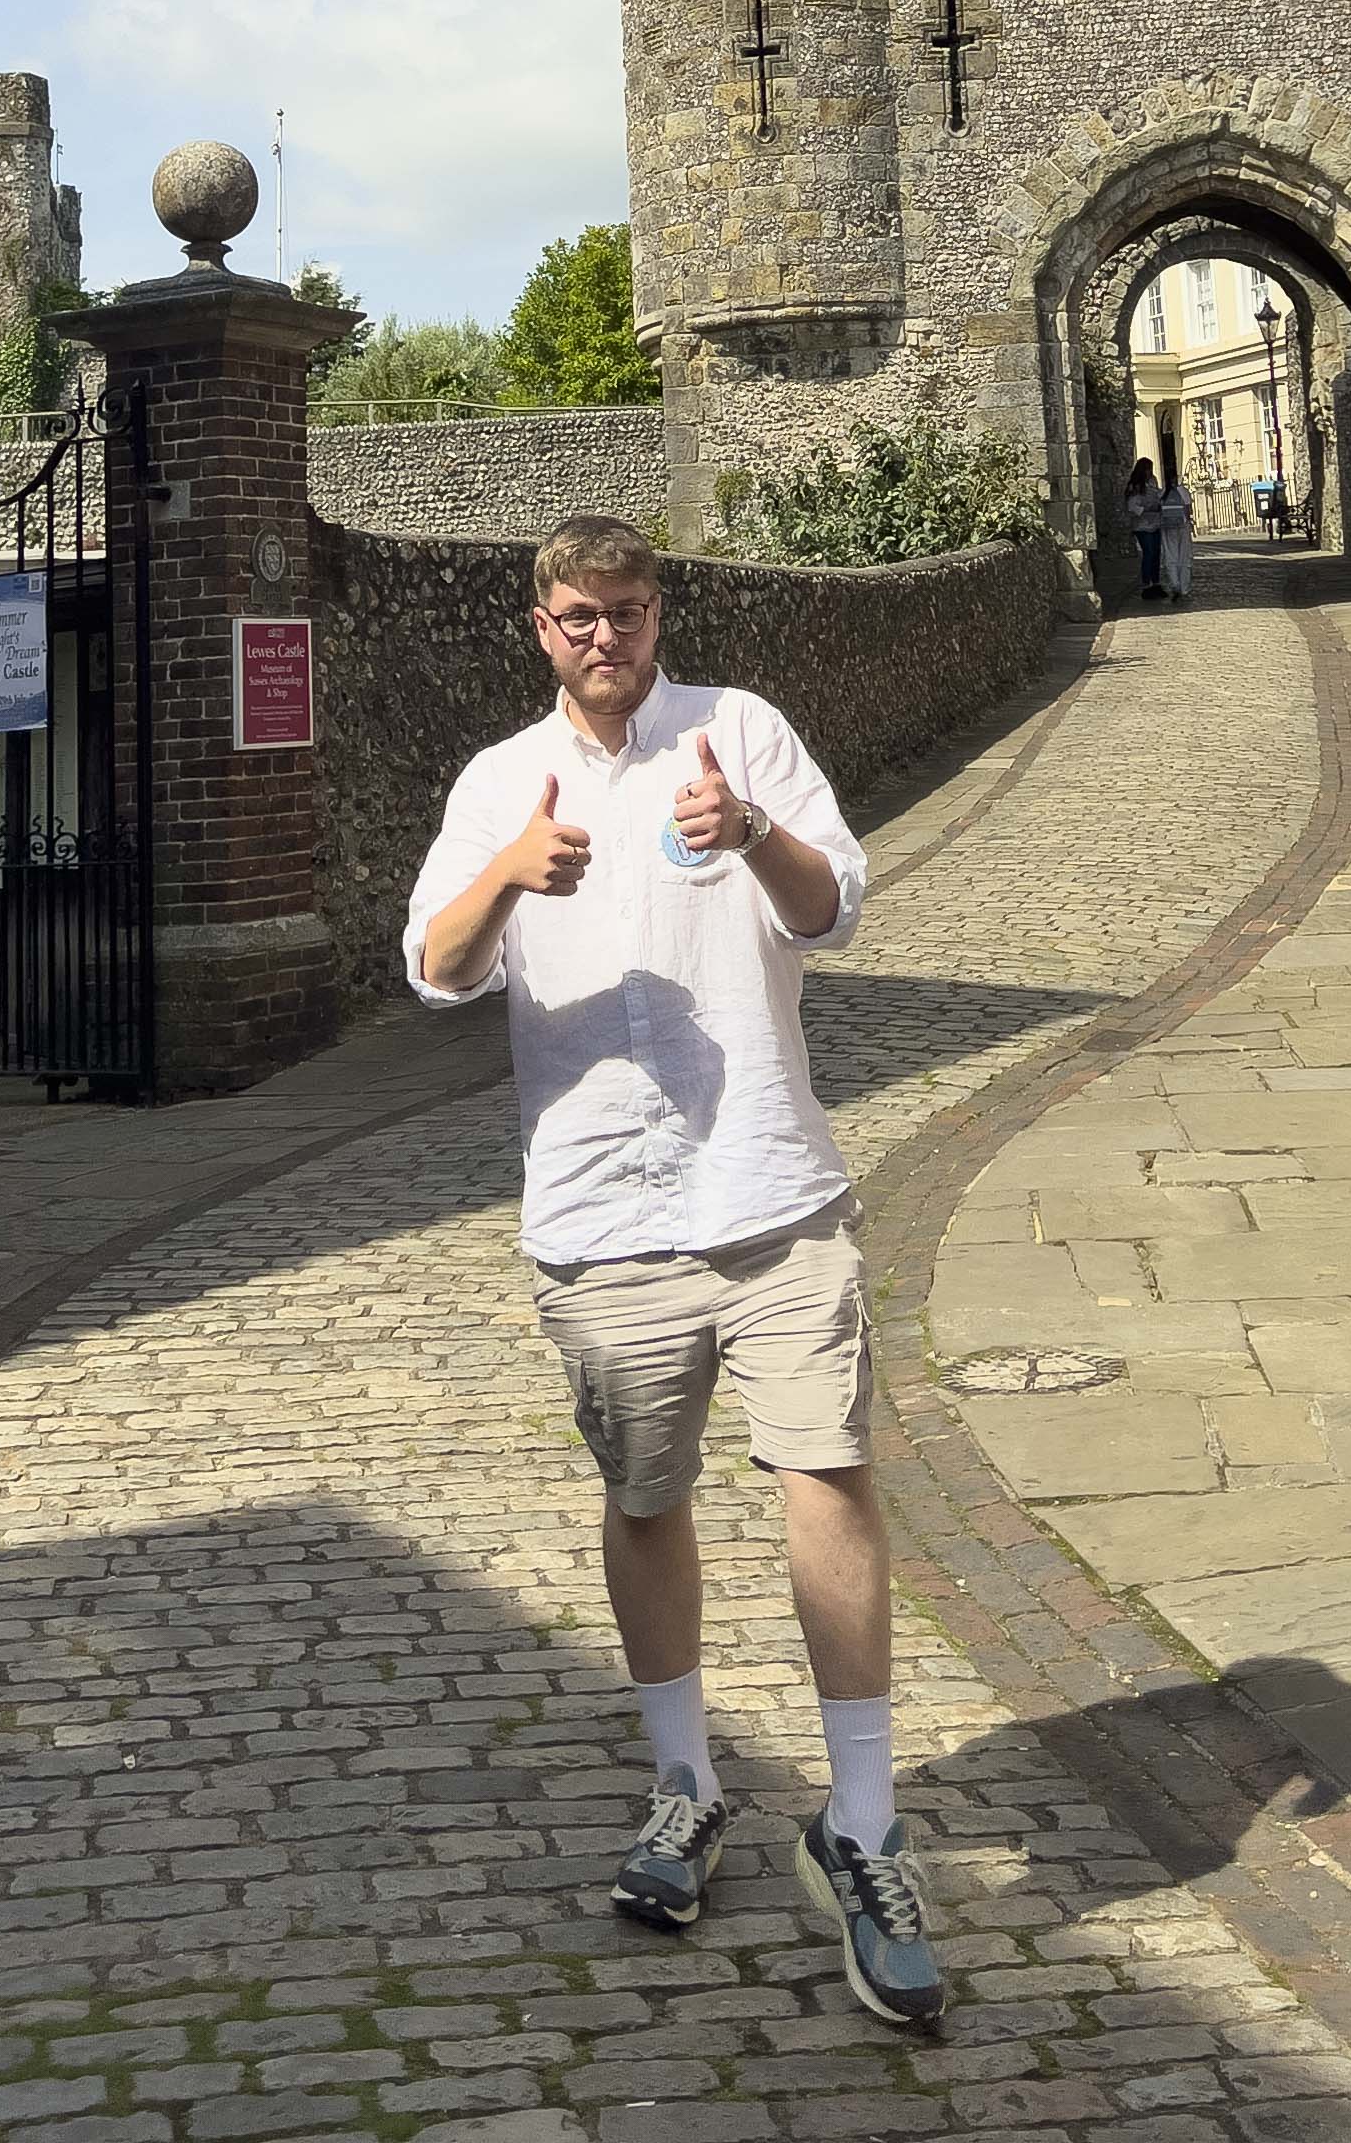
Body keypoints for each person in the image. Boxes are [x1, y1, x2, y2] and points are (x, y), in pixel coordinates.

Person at [403, 517, 942, 2030]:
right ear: (541, 626)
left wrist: (751, 833)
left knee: (827, 1467)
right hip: (598, 1217)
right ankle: (687, 1784)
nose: (606, 639)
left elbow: (836, 904)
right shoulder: (500, 783)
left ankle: (863, 1822)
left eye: (630, 613)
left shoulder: (742, 733)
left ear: (660, 616)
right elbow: (435, 969)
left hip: (768, 1189)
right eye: (580, 616)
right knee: (646, 1496)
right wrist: (513, 870)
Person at [1124, 453, 1165, 599]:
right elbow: (1131, 506)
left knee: (1156, 554)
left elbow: (1158, 496)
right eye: (1147, 469)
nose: (1149, 472)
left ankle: (1156, 582)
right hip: (1142, 525)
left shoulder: (1153, 482)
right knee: (1148, 553)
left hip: (1155, 523)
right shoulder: (1135, 486)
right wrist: (1147, 509)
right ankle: (1146, 584)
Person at [1159, 465, 1196, 606]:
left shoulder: (1162, 492)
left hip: (1167, 528)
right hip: (1182, 527)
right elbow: (1188, 510)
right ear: (1176, 477)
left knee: (1170, 556)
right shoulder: (1183, 492)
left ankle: (1174, 584)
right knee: (1184, 558)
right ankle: (1184, 588)